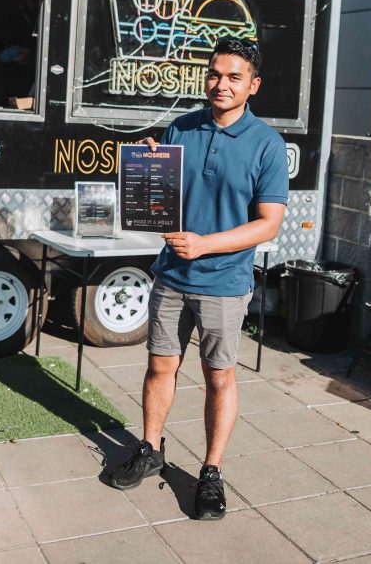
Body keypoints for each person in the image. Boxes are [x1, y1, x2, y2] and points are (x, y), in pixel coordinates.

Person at [107, 36, 288, 521]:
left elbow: (269, 222)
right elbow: (166, 197)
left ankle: (210, 472)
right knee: (160, 366)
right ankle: (149, 449)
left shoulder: (267, 143)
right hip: (170, 275)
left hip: (224, 282)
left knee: (219, 377)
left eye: (233, 76)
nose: (220, 84)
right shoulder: (181, 128)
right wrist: (151, 165)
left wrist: (207, 244)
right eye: (214, 73)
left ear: (253, 85)